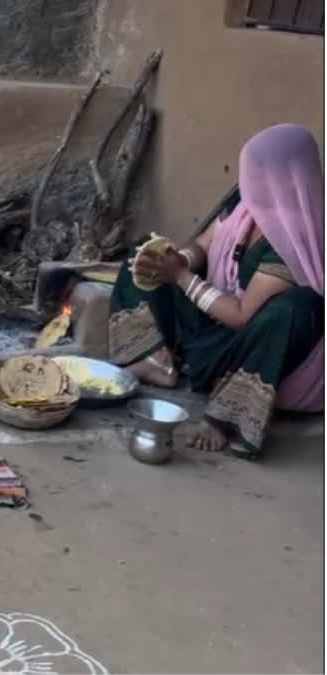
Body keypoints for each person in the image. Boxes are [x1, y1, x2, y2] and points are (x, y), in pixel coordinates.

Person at [110, 123, 324, 458]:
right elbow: (203, 246)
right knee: (142, 257)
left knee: (293, 309)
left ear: (283, 176)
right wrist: (176, 259)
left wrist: (180, 277)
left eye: (256, 171)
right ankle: (157, 362)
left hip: (257, 349)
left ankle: (227, 417)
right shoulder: (246, 200)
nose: (248, 178)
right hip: (214, 326)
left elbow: (240, 317)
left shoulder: (294, 238)